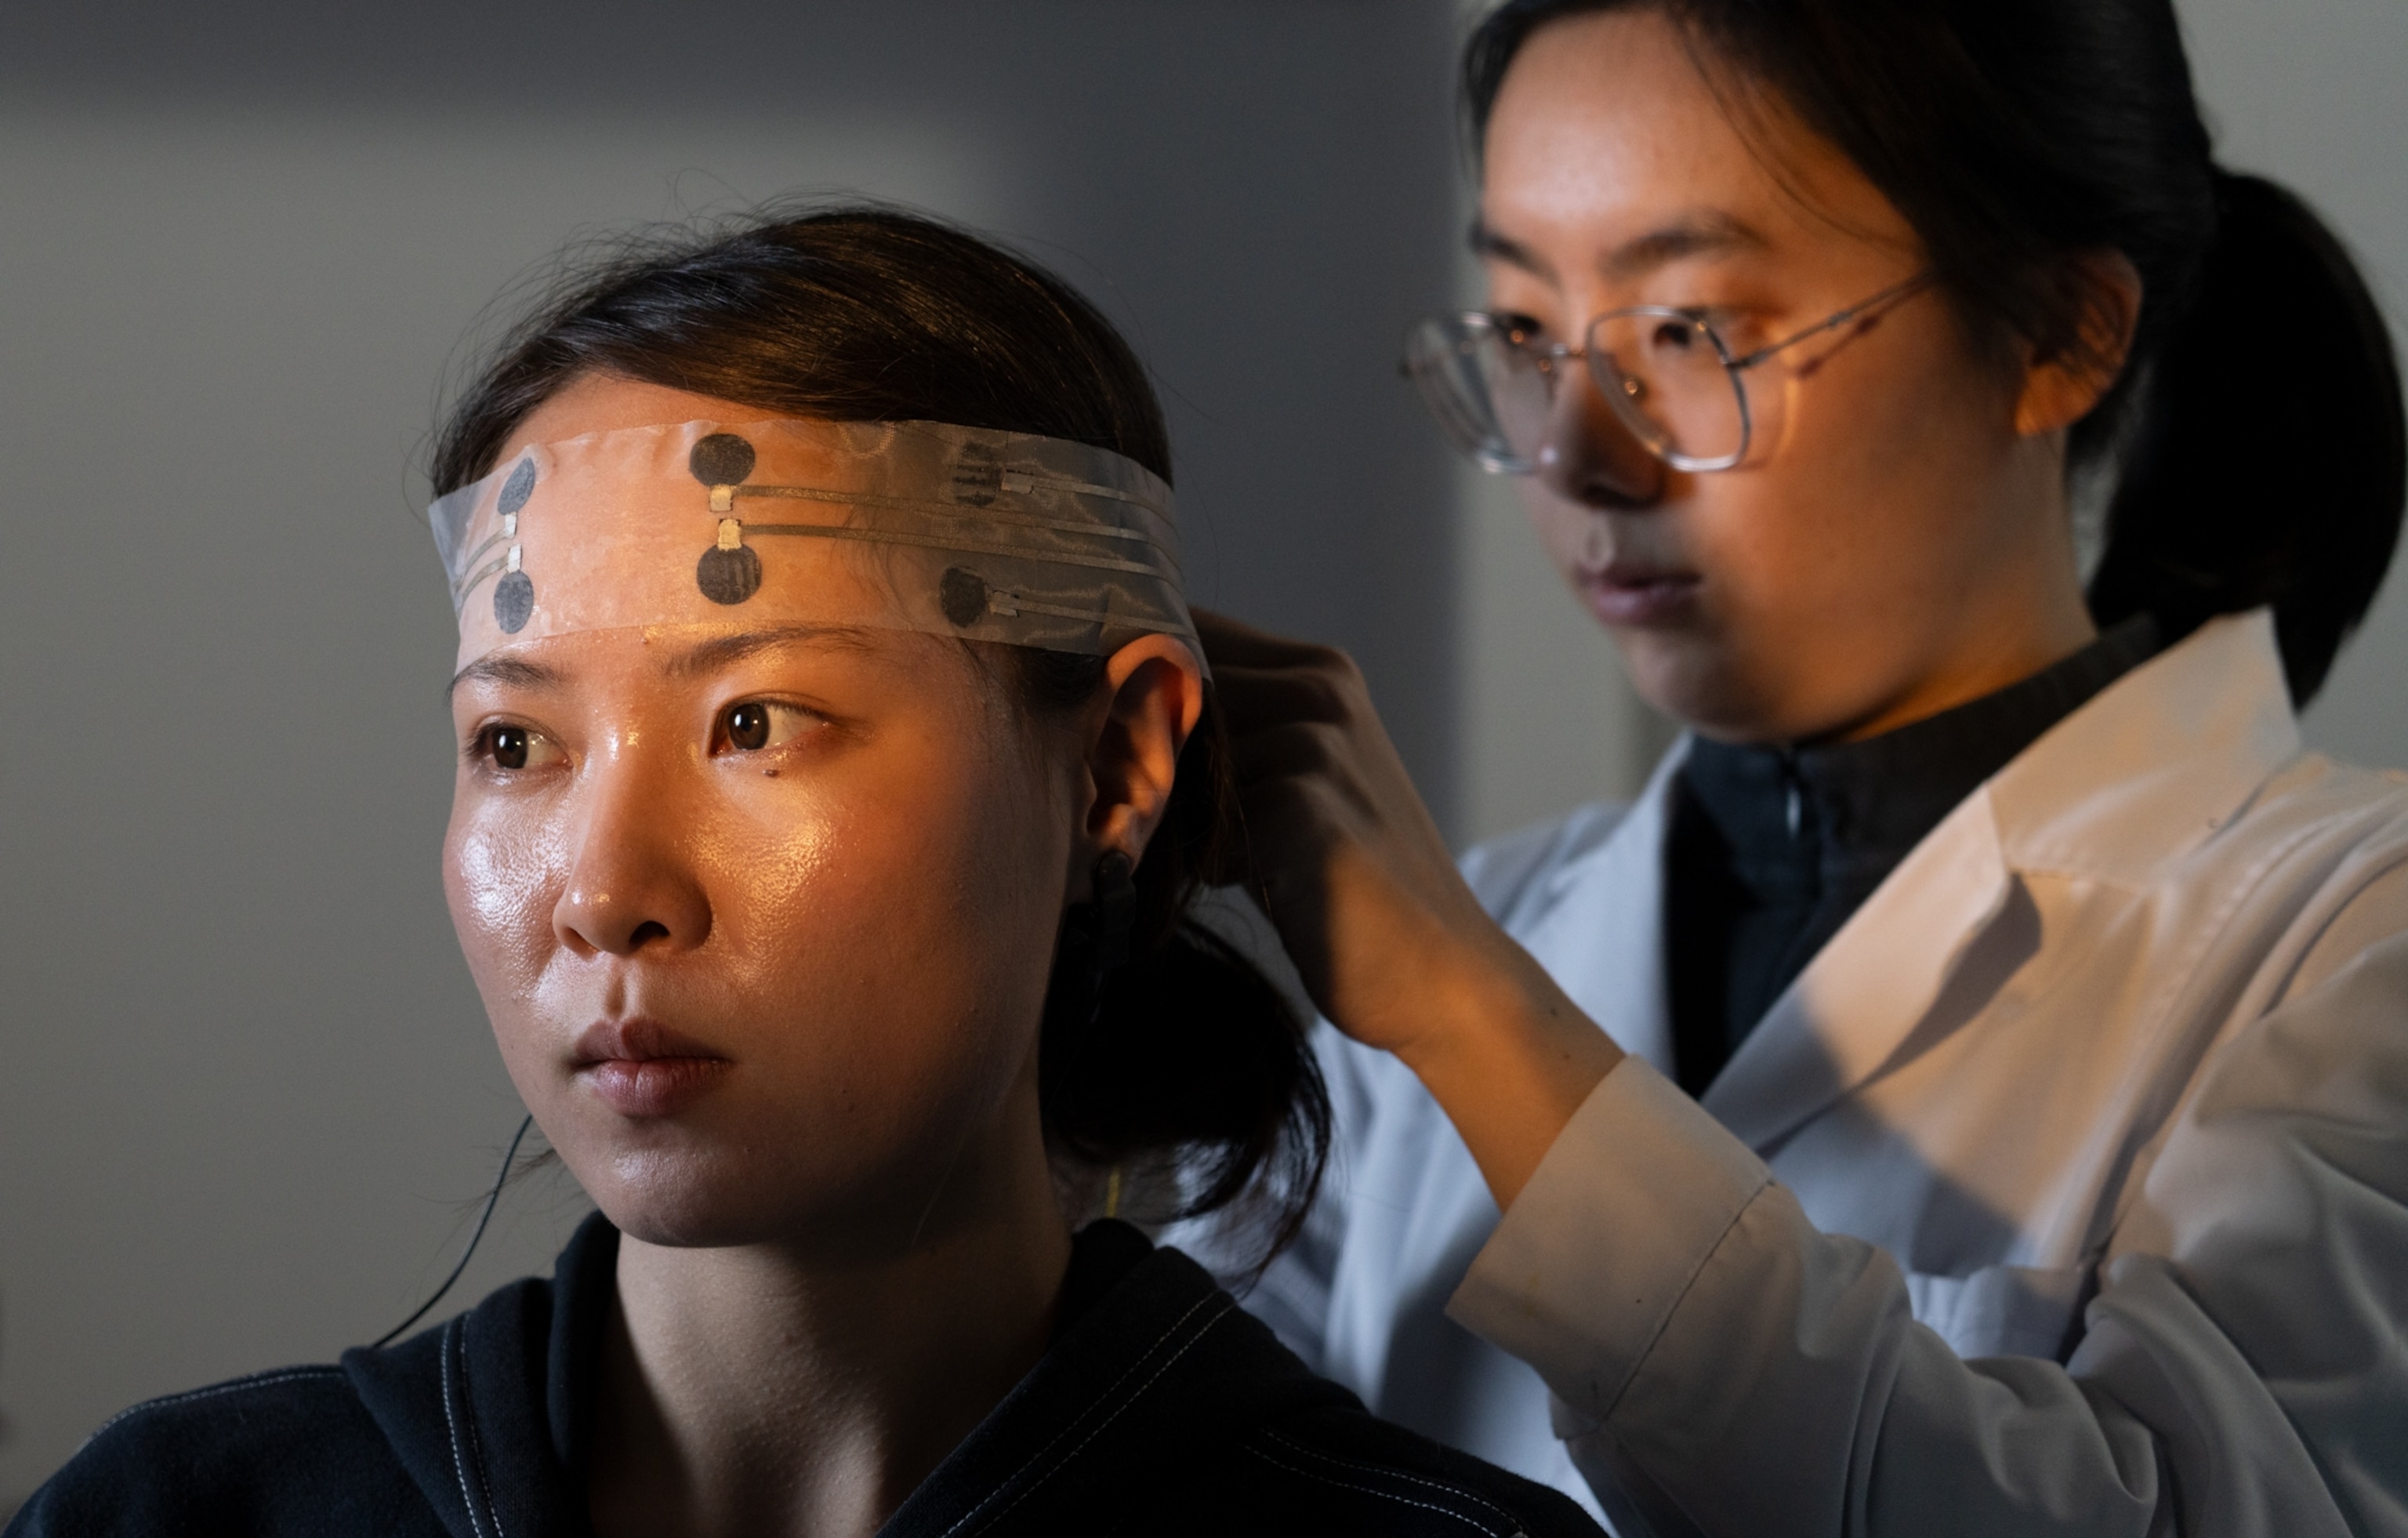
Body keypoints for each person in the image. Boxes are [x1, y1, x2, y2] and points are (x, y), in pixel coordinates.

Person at [7, 211, 1602, 1538]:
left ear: (1115, 766)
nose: (603, 889)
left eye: (754, 721)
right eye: (514, 746)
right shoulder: (177, 1517)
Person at [1191, 2, 2408, 1534]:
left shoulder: (2356, 940)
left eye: (1690, 329)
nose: (1578, 453)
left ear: (2059, 334)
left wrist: (1472, 1015)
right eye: (1522, 331)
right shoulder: (1481, 937)